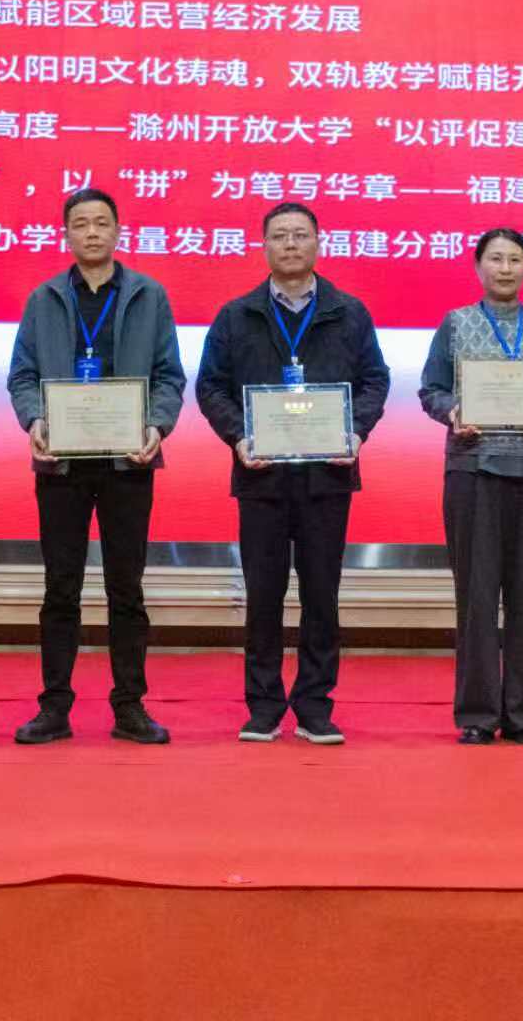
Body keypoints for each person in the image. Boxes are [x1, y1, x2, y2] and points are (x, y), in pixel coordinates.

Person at [195, 201, 390, 744]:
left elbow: (375, 380)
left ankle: (314, 706)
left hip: (327, 477)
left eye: (300, 235)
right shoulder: (237, 315)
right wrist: (239, 436)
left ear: (318, 243)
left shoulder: (349, 313)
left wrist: (356, 431)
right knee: (263, 595)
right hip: (261, 477)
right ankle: (262, 706)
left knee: (322, 595)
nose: (290, 244)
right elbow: (210, 386)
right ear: (264, 246)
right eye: (279, 235)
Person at [6, 187, 186, 745]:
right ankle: (54, 706)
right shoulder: (43, 299)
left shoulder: (149, 295)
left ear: (117, 231)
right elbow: (21, 375)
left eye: (101, 222)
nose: (91, 231)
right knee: (60, 587)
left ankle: (130, 706)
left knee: (125, 589)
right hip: (61, 462)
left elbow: (170, 376)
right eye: (80, 223)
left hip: (127, 461)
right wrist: (34, 419)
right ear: (66, 234)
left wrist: (156, 426)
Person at [418, 228, 523, 745]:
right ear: (478, 266)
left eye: (514, 260)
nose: (505, 268)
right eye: (495, 259)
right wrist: (452, 411)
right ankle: (478, 714)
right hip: (474, 471)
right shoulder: (455, 323)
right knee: (477, 598)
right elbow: (431, 389)